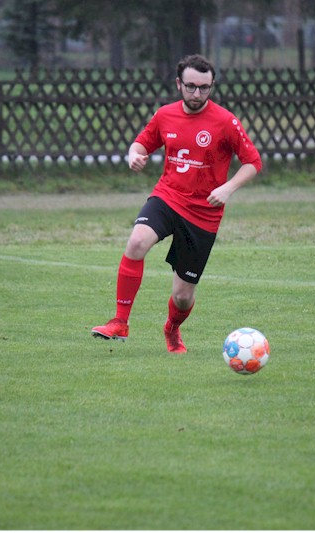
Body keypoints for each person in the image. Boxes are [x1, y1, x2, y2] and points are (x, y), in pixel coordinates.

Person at [91, 54, 262, 353]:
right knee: (136, 242)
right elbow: (141, 142)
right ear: (179, 84)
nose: (198, 94)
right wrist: (134, 154)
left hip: (203, 214)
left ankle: (172, 329)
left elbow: (253, 162)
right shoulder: (165, 115)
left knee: (183, 296)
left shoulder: (225, 121)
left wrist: (228, 188)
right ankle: (120, 322)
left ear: (212, 86)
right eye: (192, 86)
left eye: (205, 88)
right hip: (167, 197)